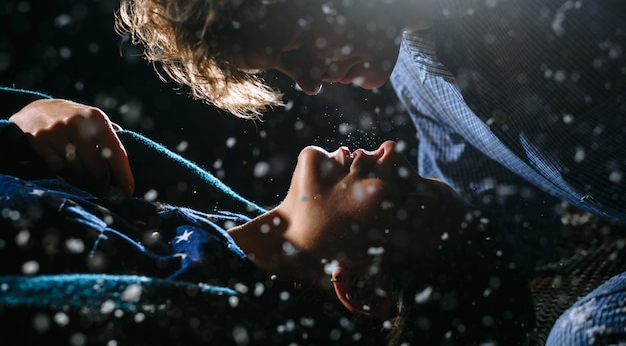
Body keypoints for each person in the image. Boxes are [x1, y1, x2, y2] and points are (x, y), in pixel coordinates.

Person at [113, 0, 626, 343]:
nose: (309, 81)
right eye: (284, 67)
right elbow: (486, 230)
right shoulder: (415, 77)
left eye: (295, 48)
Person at [0, 86, 533, 345]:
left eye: (408, 195)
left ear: (365, 291)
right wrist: (31, 116)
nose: (392, 150)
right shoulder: (208, 217)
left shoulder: (187, 313)